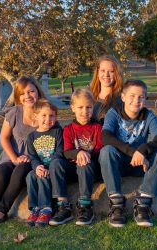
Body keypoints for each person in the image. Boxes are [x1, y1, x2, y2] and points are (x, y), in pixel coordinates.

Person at [99, 79, 157, 228]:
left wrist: (142, 150)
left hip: (140, 165)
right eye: (132, 95)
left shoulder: (148, 115)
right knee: (106, 151)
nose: (136, 100)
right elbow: (105, 137)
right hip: (119, 164)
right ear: (123, 97)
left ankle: (143, 204)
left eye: (141, 96)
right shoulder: (114, 113)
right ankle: (116, 205)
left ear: (145, 98)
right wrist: (133, 151)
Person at [0, 76, 45, 224]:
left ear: (38, 92)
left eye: (31, 91)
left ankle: (2, 211)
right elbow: (4, 137)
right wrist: (14, 158)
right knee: (1, 171)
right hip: (12, 156)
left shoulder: (45, 112)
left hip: (32, 159)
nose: (27, 96)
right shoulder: (14, 112)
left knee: (20, 171)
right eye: (23, 93)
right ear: (18, 97)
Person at [49, 88, 102, 226]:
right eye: (80, 107)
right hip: (72, 169)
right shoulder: (68, 129)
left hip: (90, 168)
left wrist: (86, 155)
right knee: (55, 163)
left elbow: (99, 149)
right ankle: (63, 206)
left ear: (93, 107)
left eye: (88, 107)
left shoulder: (98, 128)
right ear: (72, 107)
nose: (85, 111)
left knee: (84, 163)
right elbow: (67, 151)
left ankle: (85, 206)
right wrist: (78, 153)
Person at [26, 99, 63, 227]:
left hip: (51, 167)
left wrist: (48, 166)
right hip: (39, 167)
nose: (48, 119)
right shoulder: (31, 137)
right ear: (36, 116)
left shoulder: (57, 132)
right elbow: (33, 156)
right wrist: (36, 167)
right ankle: (35, 208)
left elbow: (59, 152)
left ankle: (46, 208)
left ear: (56, 117)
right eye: (44, 115)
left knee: (43, 176)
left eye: (51, 116)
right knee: (30, 176)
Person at [90, 55, 123, 124]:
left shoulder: (122, 100)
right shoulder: (88, 96)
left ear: (116, 74)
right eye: (103, 70)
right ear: (97, 73)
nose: (106, 75)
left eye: (111, 71)